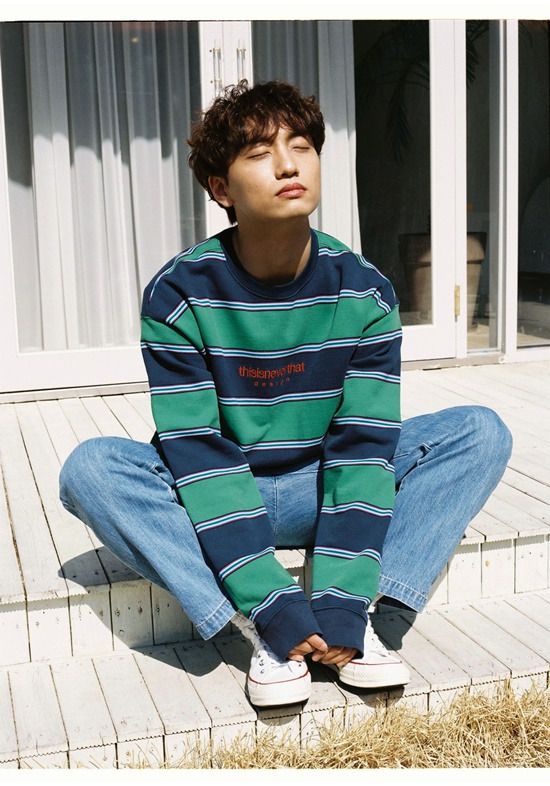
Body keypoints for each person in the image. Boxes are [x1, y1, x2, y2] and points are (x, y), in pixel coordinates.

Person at [59, 79, 513, 709]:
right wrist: (273, 605)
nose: (288, 165)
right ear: (221, 189)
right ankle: (258, 628)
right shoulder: (179, 293)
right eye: (259, 153)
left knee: (478, 433)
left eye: (301, 146)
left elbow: (363, 446)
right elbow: (198, 449)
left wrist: (341, 599)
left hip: (317, 485)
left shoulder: (364, 291)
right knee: (91, 470)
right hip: (213, 493)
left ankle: (363, 617)